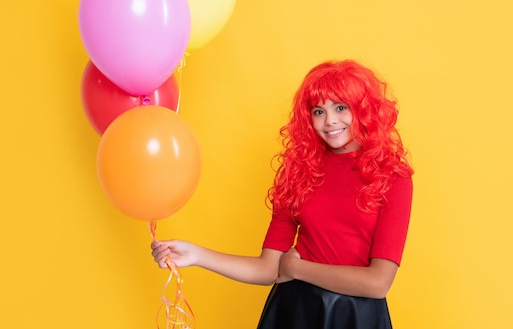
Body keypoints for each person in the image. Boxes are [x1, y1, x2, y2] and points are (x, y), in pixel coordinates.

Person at [151, 59, 414, 329]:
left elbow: (378, 283)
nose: (330, 121)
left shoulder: (393, 177)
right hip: (295, 313)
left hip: (357, 318)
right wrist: (196, 255)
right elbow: (268, 268)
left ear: (363, 109)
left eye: (340, 107)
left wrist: (298, 269)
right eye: (318, 111)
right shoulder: (300, 171)